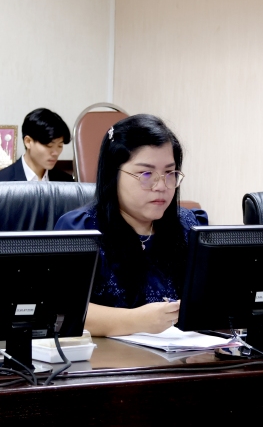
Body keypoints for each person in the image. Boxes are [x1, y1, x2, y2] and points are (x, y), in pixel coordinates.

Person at [55, 114, 208, 336]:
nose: (161, 186)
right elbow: (62, 311)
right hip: (106, 356)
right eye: (146, 174)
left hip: (185, 354)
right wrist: (137, 321)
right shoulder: (82, 230)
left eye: (169, 173)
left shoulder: (189, 226)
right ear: (113, 175)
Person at [0, 108, 74, 182]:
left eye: (60, 146)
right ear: (28, 142)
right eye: (49, 145)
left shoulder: (67, 182)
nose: (56, 153)